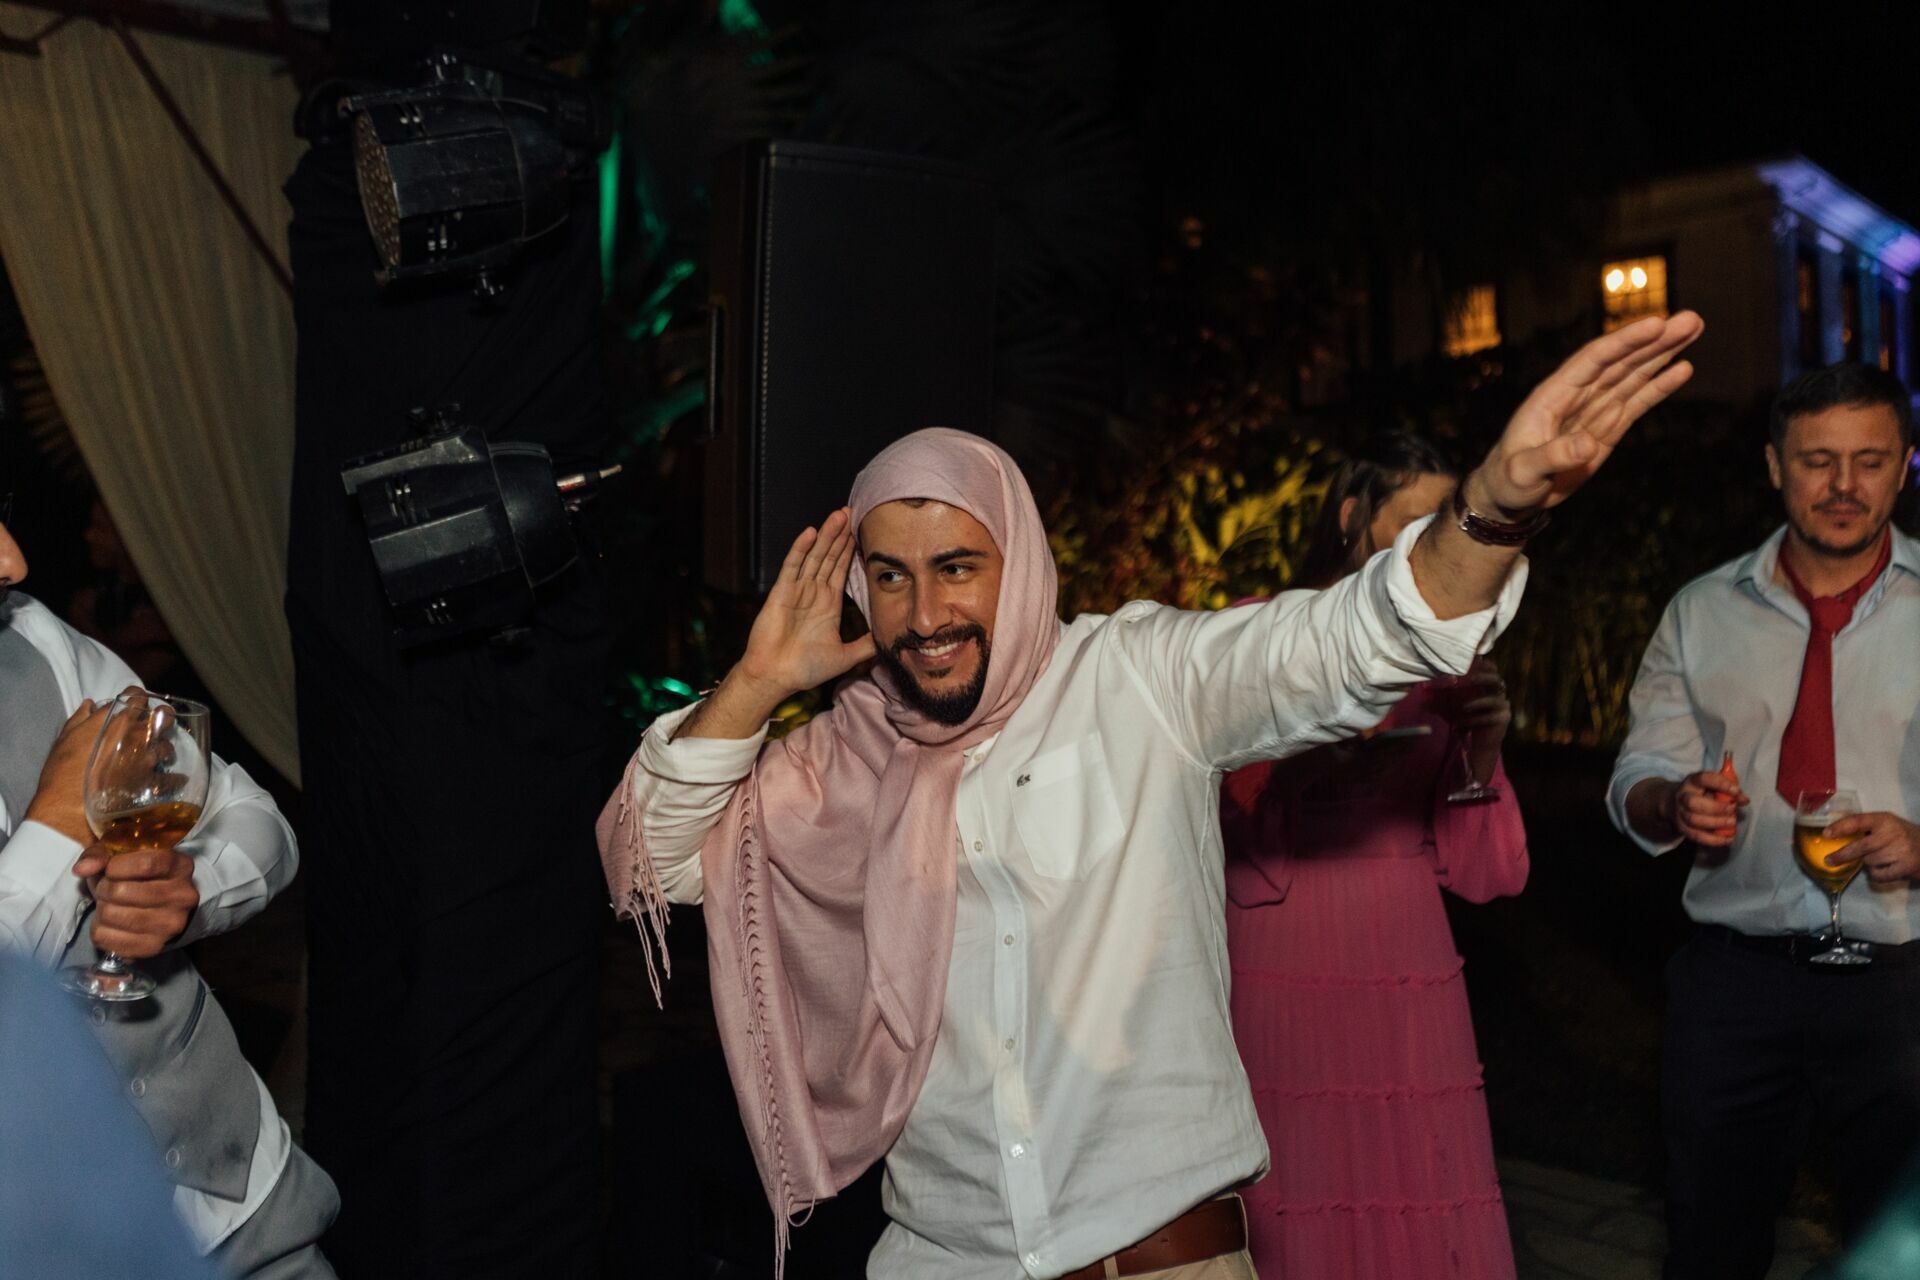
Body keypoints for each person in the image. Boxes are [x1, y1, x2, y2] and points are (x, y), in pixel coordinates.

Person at [602, 312, 1701, 1278]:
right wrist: (757, 683)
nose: (922, 610)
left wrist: (1493, 509)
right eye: (888, 574)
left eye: (957, 566)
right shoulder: (837, 760)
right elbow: (646, 860)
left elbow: (1350, 640)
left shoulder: (1136, 679)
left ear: (1020, 558)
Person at [1607, 361, 1920, 1279]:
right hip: (1736, 984)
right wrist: (1675, 800)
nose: (1844, 486)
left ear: (1904, 467)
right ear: (1774, 466)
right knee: (1710, 1239)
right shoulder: (1702, 612)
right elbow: (1639, 774)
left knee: (1896, 1251)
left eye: (1870, 460)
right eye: (1818, 460)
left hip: (1904, 984)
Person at [0, 498, 339, 1278]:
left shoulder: (39, 644)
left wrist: (190, 891)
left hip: (248, 1205)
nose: (14, 562)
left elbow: (254, 819)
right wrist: (53, 828)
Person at [1220, 433, 1527, 1278]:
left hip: (1406, 958)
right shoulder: (1260, 629)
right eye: (1418, 525)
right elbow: (1208, 826)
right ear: (1352, 516)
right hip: (1284, 957)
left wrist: (1485, 750)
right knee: (1294, 1195)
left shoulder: (1449, 653)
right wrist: (1306, 759)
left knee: (1418, 1193)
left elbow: (1483, 873)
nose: (1440, 551)